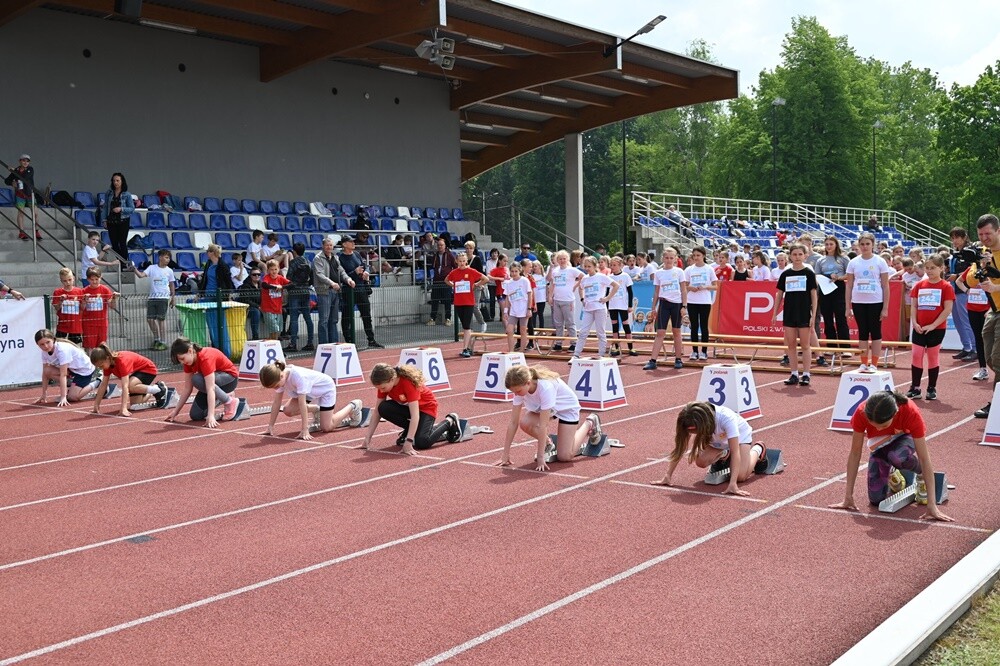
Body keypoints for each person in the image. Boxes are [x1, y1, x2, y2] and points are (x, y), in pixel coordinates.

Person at [829, 390, 951, 520]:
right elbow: (855, 453)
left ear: (895, 413)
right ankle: (892, 469)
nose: (880, 430)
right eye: (874, 426)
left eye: (884, 425)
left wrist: (932, 506)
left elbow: (924, 458)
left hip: (904, 438)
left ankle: (918, 474)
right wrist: (848, 497)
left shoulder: (911, 412)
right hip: (880, 446)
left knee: (897, 457)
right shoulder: (861, 412)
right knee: (876, 500)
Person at [497, 364, 603, 471]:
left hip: (566, 409)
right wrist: (505, 454)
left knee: (565, 456)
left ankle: (590, 422)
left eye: (518, 391)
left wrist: (540, 457)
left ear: (528, 383)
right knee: (525, 423)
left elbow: (544, 425)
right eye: (513, 392)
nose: (516, 394)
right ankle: (549, 443)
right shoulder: (519, 392)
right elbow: (513, 422)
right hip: (549, 409)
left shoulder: (545, 388)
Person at [652, 401, 769, 496]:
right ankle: (723, 454)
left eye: (695, 431)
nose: (693, 433)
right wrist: (668, 476)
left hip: (740, 438)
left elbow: (735, 451)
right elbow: (680, 448)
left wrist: (733, 484)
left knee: (741, 476)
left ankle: (758, 450)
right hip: (718, 441)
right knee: (701, 462)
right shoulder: (687, 419)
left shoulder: (726, 419)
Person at [362, 363, 461, 455]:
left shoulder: (407, 383)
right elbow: (376, 413)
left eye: (383, 388)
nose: (381, 390)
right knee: (383, 408)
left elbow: (415, 415)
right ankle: (412, 431)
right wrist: (367, 439)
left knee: (422, 443)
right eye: (378, 388)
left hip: (426, 409)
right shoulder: (384, 385)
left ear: (392, 379)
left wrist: (408, 441)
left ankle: (450, 421)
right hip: (409, 409)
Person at [259, 361, 365, 440]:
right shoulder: (280, 377)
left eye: (276, 386)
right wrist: (270, 427)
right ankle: (317, 409)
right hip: (309, 391)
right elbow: (277, 402)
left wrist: (304, 429)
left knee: (327, 427)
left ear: (281, 376)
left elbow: (302, 404)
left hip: (325, 389)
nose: (276, 389)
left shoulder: (298, 377)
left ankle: (353, 406)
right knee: (287, 410)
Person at [905, 254, 954, 401]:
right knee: (916, 355)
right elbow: (914, 305)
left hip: (936, 328)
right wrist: (915, 322)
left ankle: (931, 387)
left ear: (941, 268)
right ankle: (915, 387)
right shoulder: (919, 285)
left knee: (932, 357)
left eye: (933, 268)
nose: (930, 271)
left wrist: (933, 325)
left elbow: (947, 309)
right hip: (919, 327)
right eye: (927, 268)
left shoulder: (946, 286)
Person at [166, 336, 240, 428]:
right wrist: (175, 411)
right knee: (196, 415)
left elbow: (211, 388)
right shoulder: (188, 362)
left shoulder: (205, 358)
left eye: (182, 358)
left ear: (190, 351)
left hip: (229, 379)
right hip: (213, 383)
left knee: (196, 379)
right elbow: (187, 389)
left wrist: (211, 415)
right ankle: (224, 395)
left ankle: (229, 401)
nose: (182, 362)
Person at [773, 244, 818, 386]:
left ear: (805, 256)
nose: (797, 257)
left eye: (800, 254)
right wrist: (774, 313)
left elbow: (813, 295)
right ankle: (793, 373)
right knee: (791, 345)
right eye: (795, 254)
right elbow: (779, 294)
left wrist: (813, 315)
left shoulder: (809, 273)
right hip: (789, 313)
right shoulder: (786, 274)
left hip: (804, 313)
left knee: (805, 345)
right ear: (790, 256)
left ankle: (806, 374)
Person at [845, 232, 891, 372]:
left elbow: (885, 285)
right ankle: (864, 363)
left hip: (875, 301)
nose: (865, 247)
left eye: (867, 244)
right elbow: (849, 285)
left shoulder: (880, 261)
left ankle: (875, 364)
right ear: (859, 245)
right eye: (862, 244)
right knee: (863, 332)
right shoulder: (853, 262)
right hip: (858, 301)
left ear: (873, 245)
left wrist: (885, 307)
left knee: (875, 332)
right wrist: (848, 306)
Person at [89, 343, 168, 416]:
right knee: (135, 405)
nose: (100, 368)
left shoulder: (121, 361)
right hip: (135, 373)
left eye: (101, 366)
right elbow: (103, 385)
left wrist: (123, 408)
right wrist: (96, 405)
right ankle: (153, 390)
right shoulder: (107, 364)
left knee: (130, 386)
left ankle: (159, 389)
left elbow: (125, 386)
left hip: (148, 370)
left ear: (107, 358)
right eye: (98, 367)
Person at [644, 247, 688, 371]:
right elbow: (657, 292)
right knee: (660, 333)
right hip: (663, 304)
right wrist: (653, 307)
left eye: (671, 258)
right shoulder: (659, 273)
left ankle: (678, 358)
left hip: (677, 304)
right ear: (662, 258)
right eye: (666, 258)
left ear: (675, 259)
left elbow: (683, 290)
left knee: (676, 331)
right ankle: (653, 360)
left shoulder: (679, 271)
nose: (668, 260)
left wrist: (684, 306)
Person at [35, 329, 102, 406]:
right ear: (38, 345)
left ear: (53, 340)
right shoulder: (44, 352)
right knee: (47, 371)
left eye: (48, 342)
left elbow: (63, 375)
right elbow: (45, 374)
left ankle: (97, 381)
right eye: (42, 344)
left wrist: (63, 397)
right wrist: (44, 394)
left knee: (73, 397)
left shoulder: (62, 350)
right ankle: (74, 385)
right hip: (72, 370)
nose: (45, 346)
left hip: (85, 371)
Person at [338, 237, 382, 348]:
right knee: (347, 316)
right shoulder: (340, 258)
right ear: (344, 244)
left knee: (366, 314)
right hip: (348, 290)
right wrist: (354, 272)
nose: (353, 243)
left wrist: (366, 272)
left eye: (353, 241)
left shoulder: (356, 254)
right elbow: (341, 275)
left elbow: (365, 265)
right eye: (351, 242)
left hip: (361, 288)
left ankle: (371, 340)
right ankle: (348, 340)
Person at [571, 256, 618, 362]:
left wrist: (607, 298)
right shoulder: (585, 278)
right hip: (588, 309)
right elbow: (580, 288)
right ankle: (576, 354)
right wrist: (582, 299)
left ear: (595, 266)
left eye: (589, 266)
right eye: (585, 266)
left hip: (599, 308)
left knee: (600, 331)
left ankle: (601, 354)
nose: (587, 268)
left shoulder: (601, 277)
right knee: (583, 332)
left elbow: (616, 285)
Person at [446, 252, 489, 358]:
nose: (462, 263)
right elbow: (446, 280)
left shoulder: (471, 271)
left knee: (466, 325)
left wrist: (476, 284)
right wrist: (453, 285)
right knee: (465, 325)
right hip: (458, 302)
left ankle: (465, 348)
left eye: (464, 261)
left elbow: (486, 279)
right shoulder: (454, 272)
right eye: (460, 261)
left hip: (469, 302)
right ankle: (468, 347)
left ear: (467, 261)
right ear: (456, 261)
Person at [313, 237, 354, 346]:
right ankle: (323, 345)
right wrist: (332, 283)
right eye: (327, 245)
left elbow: (341, 271)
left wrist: (348, 279)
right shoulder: (318, 258)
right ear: (323, 246)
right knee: (324, 320)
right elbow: (319, 274)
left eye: (331, 245)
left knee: (334, 320)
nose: (329, 247)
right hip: (324, 291)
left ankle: (334, 344)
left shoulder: (335, 258)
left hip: (336, 291)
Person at [196, 244, 236, 353]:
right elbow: (204, 279)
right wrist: (200, 293)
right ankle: (215, 347)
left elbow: (228, 282)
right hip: (208, 295)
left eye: (208, 251)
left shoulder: (223, 265)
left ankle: (225, 350)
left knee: (220, 324)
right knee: (211, 323)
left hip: (219, 296)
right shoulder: (208, 264)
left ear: (212, 253)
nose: (207, 253)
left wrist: (228, 295)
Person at [958, 251, 991, 382]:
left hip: (988, 309)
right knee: (979, 338)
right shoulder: (972, 269)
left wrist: (991, 308)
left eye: (986, 256)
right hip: (972, 308)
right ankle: (983, 369)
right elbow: (959, 281)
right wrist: (966, 290)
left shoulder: (993, 270)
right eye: (982, 257)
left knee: (992, 340)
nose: (984, 259)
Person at [948, 227, 979, 361]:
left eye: (957, 237)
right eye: (952, 238)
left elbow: (974, 270)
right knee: (957, 320)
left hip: (965, 290)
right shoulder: (956, 253)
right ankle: (966, 347)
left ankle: (975, 348)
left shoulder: (970, 252)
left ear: (964, 237)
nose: (954, 241)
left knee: (966, 320)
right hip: (954, 289)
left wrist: (957, 276)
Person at [134, 249, 175, 350]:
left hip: (164, 297)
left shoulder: (169, 270)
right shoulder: (152, 268)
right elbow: (141, 275)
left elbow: (171, 284)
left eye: (169, 258)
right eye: (166, 257)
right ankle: (156, 338)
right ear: (160, 257)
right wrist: (134, 269)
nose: (168, 259)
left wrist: (173, 297)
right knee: (150, 319)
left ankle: (163, 341)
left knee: (161, 319)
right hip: (152, 297)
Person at [547, 250, 583, 353]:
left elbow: (583, 277)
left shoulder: (571, 270)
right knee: (558, 323)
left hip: (568, 300)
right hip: (557, 299)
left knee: (570, 323)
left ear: (567, 259)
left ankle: (573, 343)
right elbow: (552, 284)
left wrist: (575, 286)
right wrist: (550, 296)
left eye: (564, 259)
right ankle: (559, 343)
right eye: (560, 259)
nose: (562, 261)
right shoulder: (555, 271)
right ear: (557, 260)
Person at [684, 245, 716, 361]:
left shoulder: (709, 269)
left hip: (704, 301)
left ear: (703, 256)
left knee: (703, 326)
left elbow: (716, 286)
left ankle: (704, 351)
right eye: (694, 255)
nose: (696, 257)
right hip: (692, 301)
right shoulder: (689, 269)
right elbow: (684, 285)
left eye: (698, 255)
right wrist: (690, 287)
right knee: (694, 326)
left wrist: (705, 287)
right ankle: (694, 351)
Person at [284, 242, 315, 352]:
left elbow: (288, 277)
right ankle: (310, 342)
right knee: (307, 317)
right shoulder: (308, 261)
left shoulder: (293, 262)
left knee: (294, 318)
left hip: (294, 292)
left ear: (294, 251)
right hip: (305, 291)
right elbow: (312, 278)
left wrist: (288, 287)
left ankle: (293, 344)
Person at [99, 172, 134, 268]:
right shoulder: (109, 193)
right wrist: (104, 220)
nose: (116, 182)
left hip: (123, 221)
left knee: (122, 243)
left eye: (118, 180)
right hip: (111, 221)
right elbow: (105, 207)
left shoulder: (127, 194)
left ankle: (124, 263)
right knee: (114, 244)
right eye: (114, 180)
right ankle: (120, 261)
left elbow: (132, 208)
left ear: (122, 182)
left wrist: (121, 209)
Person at [81, 267, 117, 352]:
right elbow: (81, 308)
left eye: (96, 279)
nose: (94, 282)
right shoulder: (84, 291)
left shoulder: (105, 290)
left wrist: (114, 298)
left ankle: (100, 364)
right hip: (88, 323)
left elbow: (112, 306)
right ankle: (89, 364)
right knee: (89, 346)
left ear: (101, 277)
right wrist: (84, 301)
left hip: (102, 323)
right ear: (88, 279)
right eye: (92, 279)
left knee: (101, 346)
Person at [5, 154, 40, 240]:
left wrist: (13, 171)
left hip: (29, 195)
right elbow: (6, 180)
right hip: (20, 195)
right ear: (20, 161)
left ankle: (36, 232)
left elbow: (24, 177)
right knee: (21, 213)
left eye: (27, 161)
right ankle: (21, 233)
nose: (25, 162)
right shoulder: (16, 170)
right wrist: (11, 183)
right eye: (23, 160)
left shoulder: (30, 169)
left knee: (35, 213)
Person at [607, 256, 635, 357]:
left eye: (614, 265)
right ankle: (616, 347)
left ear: (620, 265)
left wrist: (630, 305)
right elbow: (607, 292)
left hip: (623, 305)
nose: (612, 267)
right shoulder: (609, 277)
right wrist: (607, 307)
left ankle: (631, 347)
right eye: (611, 265)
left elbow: (630, 292)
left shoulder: (625, 276)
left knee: (625, 325)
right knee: (614, 325)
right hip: (612, 305)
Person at [503, 261, 534, 353]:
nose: (514, 273)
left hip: (523, 309)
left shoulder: (524, 280)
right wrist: (505, 311)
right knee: (509, 330)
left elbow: (529, 294)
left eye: (516, 271)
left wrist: (529, 309)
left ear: (519, 271)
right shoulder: (509, 283)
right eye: (512, 271)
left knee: (523, 330)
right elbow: (507, 298)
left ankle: (521, 351)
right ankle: (511, 350)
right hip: (513, 310)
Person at [52, 267, 84, 345]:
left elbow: (82, 308)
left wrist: (84, 301)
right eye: (65, 281)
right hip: (63, 325)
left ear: (73, 278)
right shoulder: (57, 292)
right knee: (60, 346)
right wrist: (61, 301)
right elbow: (56, 308)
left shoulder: (79, 291)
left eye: (69, 280)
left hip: (75, 325)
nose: (68, 283)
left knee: (74, 348)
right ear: (61, 281)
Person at [428, 236, 456, 325]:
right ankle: (432, 319)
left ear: (445, 246)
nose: (440, 247)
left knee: (447, 300)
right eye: (439, 245)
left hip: (446, 281)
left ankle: (448, 318)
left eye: (442, 245)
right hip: (436, 280)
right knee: (434, 300)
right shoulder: (435, 255)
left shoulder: (449, 255)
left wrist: (452, 277)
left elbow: (455, 266)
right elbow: (433, 266)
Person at [260, 258, 289, 341]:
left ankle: (273, 345)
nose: (274, 271)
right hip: (268, 308)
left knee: (277, 330)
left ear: (279, 269)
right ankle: (275, 345)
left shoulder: (280, 278)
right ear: (268, 270)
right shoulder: (267, 278)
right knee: (274, 328)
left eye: (275, 269)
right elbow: (265, 285)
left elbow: (291, 284)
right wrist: (275, 287)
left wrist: (282, 287)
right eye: (271, 270)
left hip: (278, 308)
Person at [463, 240, 487, 332]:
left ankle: (482, 322)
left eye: (470, 248)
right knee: (467, 307)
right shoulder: (463, 260)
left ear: (473, 249)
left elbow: (480, 272)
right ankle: (469, 327)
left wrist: (480, 283)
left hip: (476, 285)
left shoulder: (476, 259)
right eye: (467, 248)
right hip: (466, 285)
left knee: (474, 306)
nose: (468, 250)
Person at [235, 267, 262, 340]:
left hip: (259, 306)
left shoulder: (262, 285)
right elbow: (246, 300)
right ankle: (255, 335)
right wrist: (258, 306)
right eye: (254, 274)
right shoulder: (245, 286)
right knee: (256, 312)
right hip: (247, 308)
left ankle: (277, 335)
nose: (257, 276)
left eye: (259, 274)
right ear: (250, 275)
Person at [485, 248, 500, 321]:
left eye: (496, 253)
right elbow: (488, 273)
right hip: (491, 283)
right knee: (492, 299)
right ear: (491, 254)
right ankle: (492, 316)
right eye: (493, 253)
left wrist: (495, 277)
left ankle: (501, 316)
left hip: (499, 284)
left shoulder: (499, 262)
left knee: (500, 299)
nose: (495, 254)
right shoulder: (488, 262)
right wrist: (495, 277)